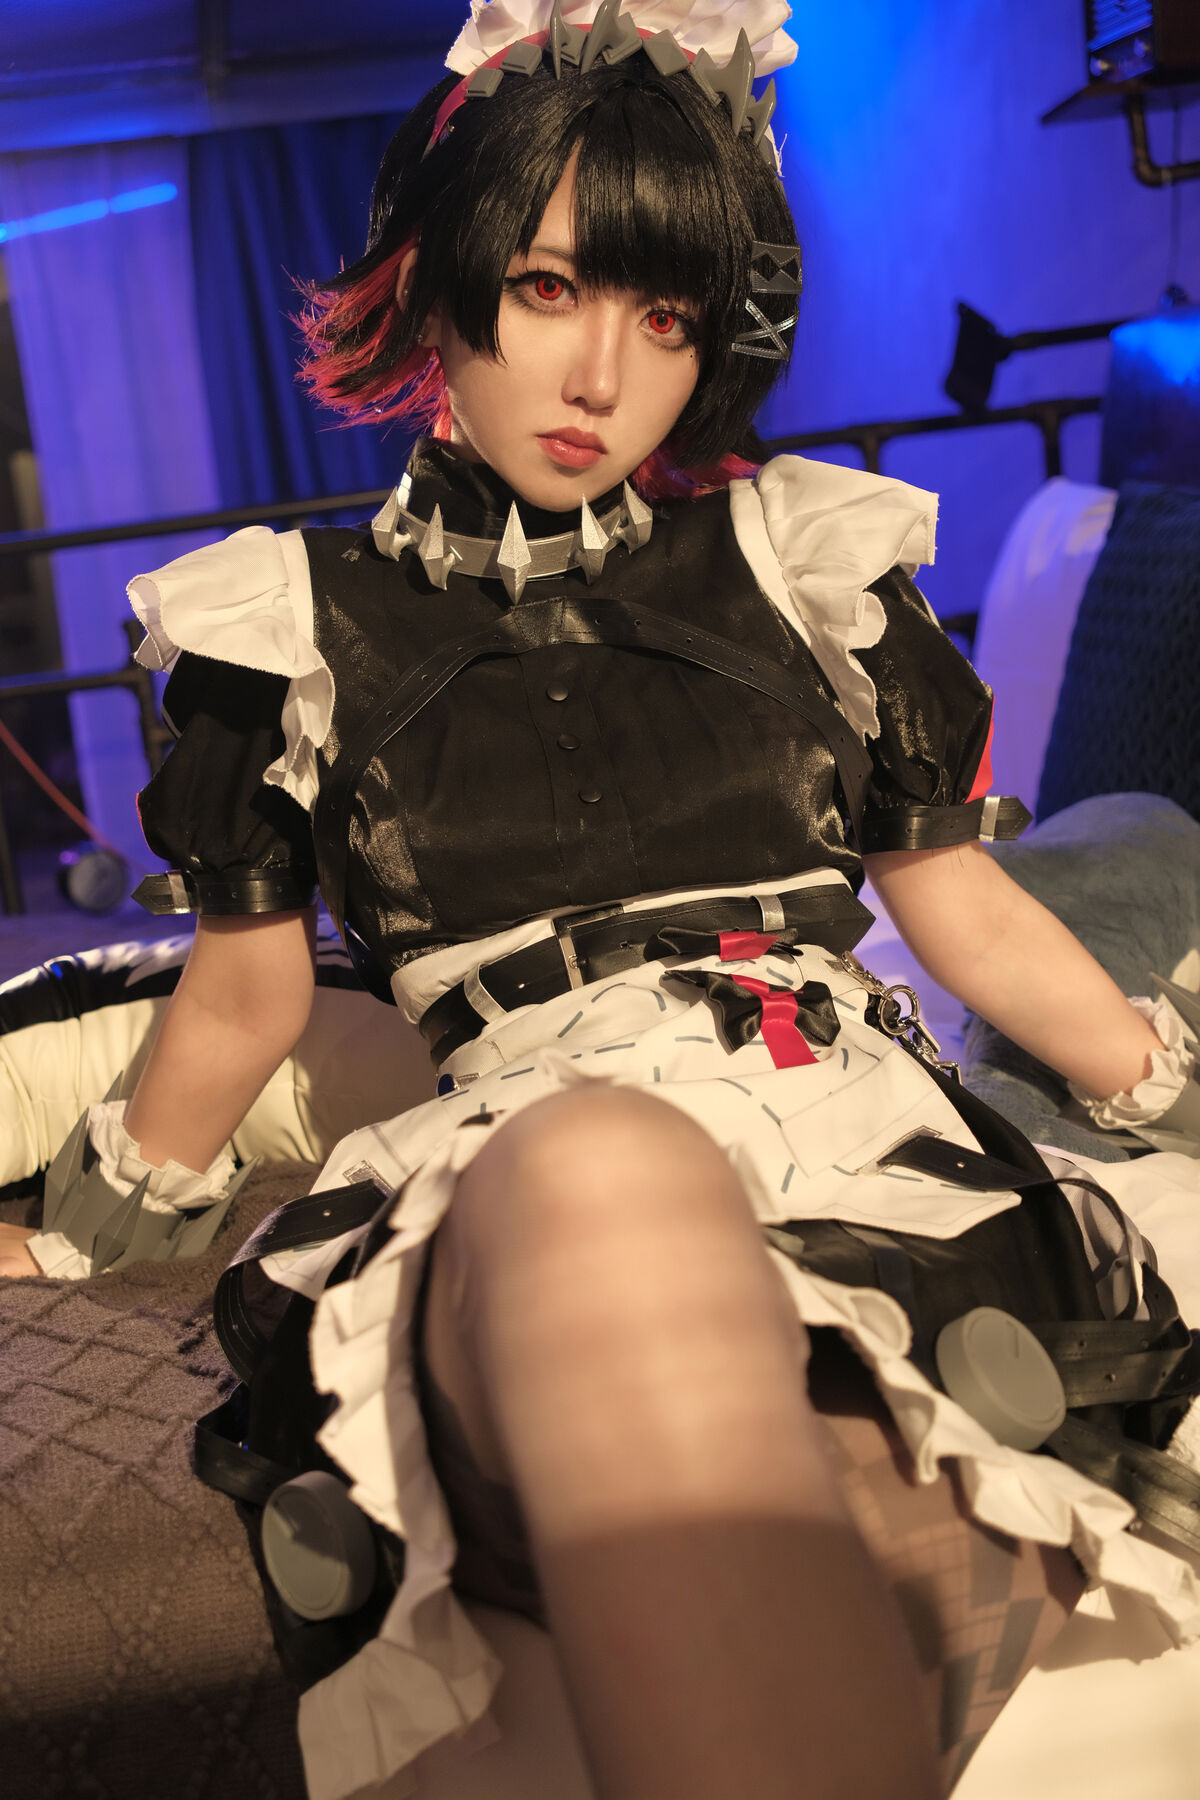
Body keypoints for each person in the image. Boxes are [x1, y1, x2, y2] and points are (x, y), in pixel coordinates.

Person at [3, 4, 1199, 1797]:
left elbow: (961, 910)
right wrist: (86, 1235)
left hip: (853, 1142)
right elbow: (243, 1001)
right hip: (534, 1142)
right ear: (438, 276)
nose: (601, 378)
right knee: (599, 1174)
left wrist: (1167, 1093)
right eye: (552, 287)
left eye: (665, 316)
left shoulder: (803, 563)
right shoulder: (284, 626)